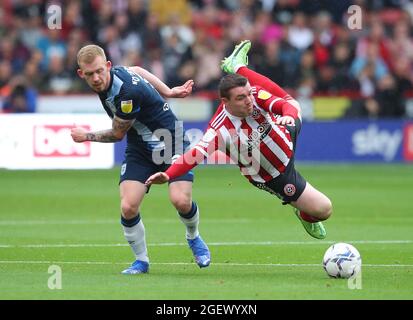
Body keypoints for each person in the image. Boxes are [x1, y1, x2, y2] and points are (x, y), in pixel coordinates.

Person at [146, 40, 332, 239]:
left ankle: (238, 67)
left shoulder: (255, 96)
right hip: (274, 174)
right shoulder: (219, 130)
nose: (249, 100)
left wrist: (289, 116)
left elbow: (288, 108)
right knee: (323, 210)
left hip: (284, 135)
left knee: (292, 103)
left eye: (248, 94)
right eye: (241, 98)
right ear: (225, 102)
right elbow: (193, 156)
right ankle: (303, 214)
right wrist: (168, 174)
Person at [71, 44, 210, 274]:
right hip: (140, 148)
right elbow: (137, 69)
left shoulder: (126, 95)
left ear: (108, 66)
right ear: (81, 74)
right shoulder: (119, 73)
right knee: (128, 207)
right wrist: (168, 92)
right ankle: (141, 261)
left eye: (99, 71)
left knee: (180, 201)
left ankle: (194, 237)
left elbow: (117, 134)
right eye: (89, 74)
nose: (96, 78)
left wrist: (86, 136)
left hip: (170, 141)